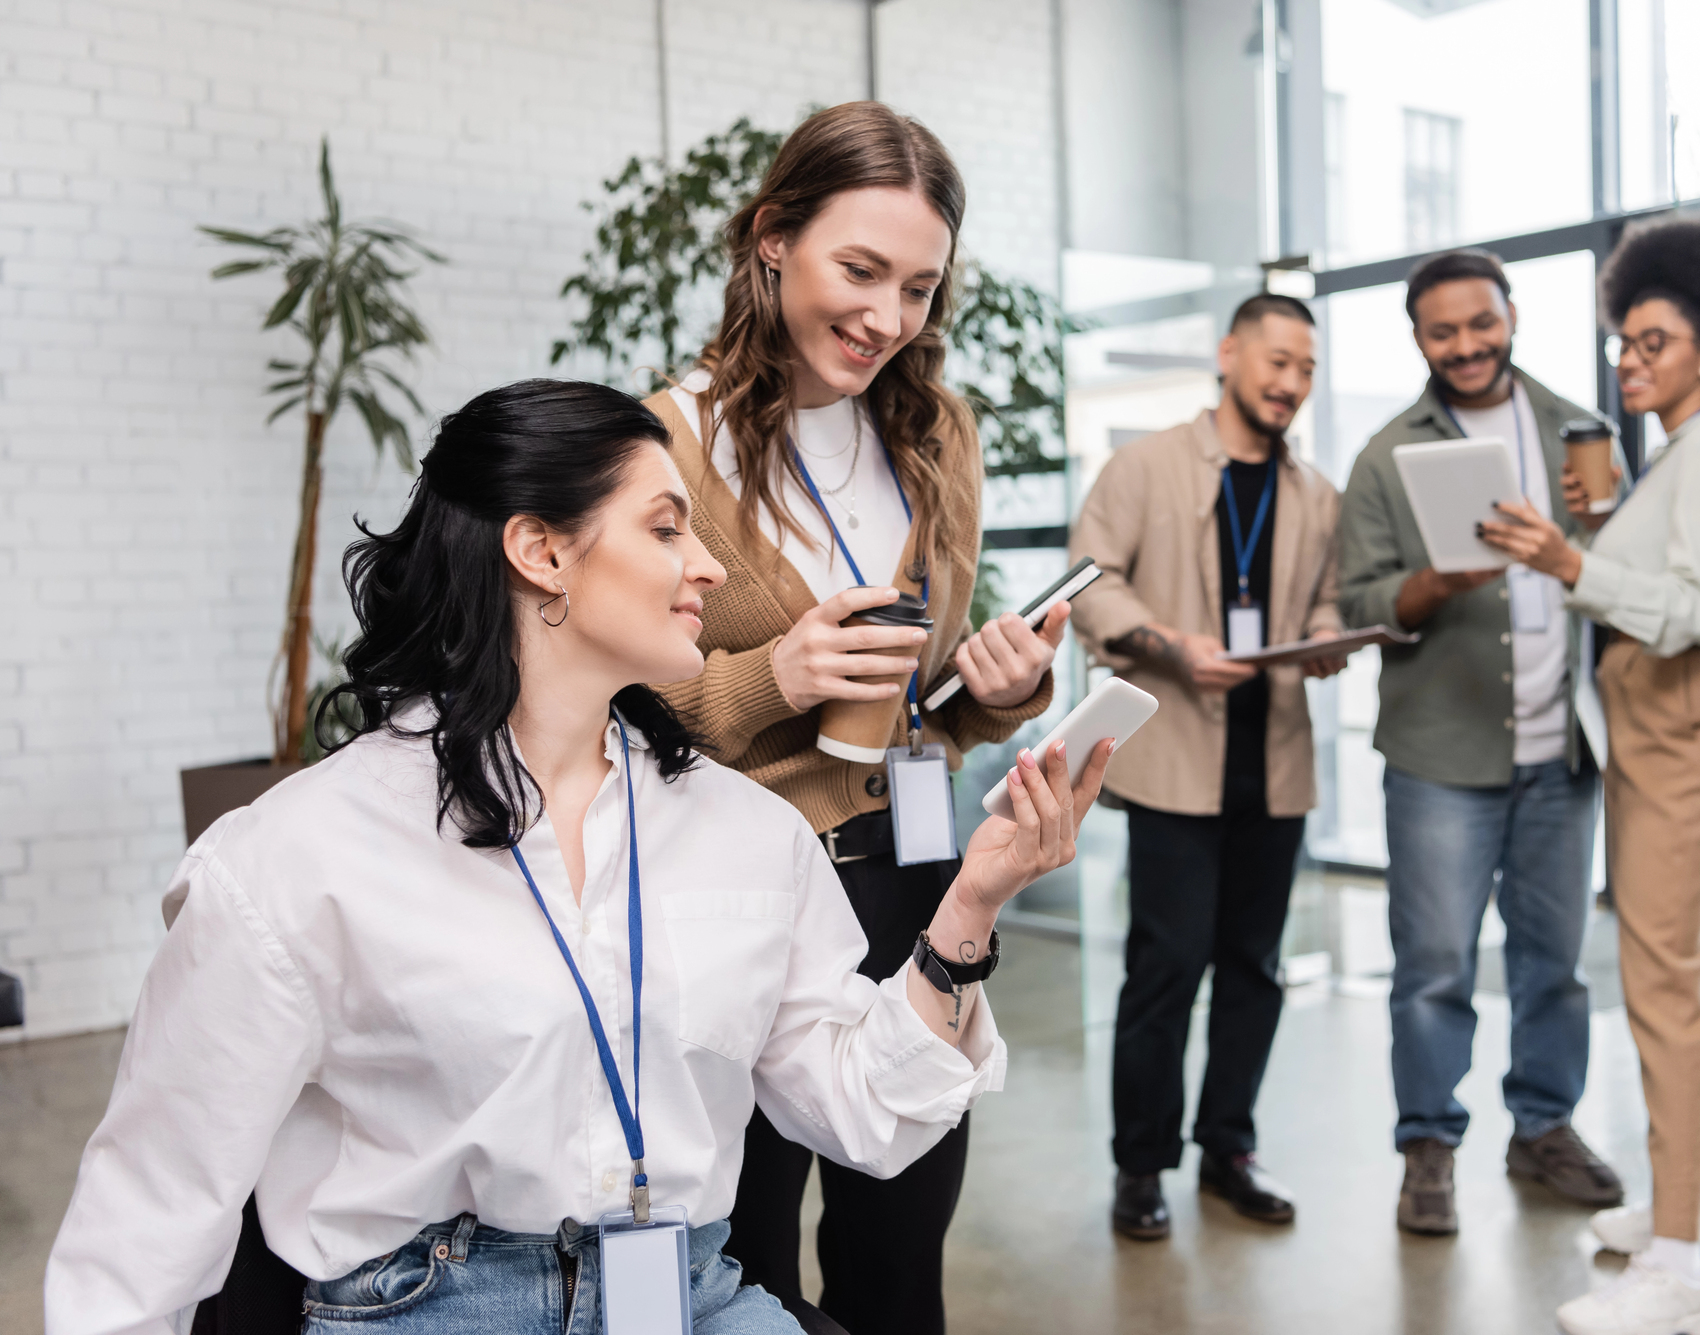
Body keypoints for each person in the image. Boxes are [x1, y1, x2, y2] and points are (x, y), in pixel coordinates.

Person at [42, 379, 1111, 1335]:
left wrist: (972, 904)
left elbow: (863, 1113)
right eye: (666, 529)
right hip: (431, 1310)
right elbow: (153, 1204)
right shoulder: (299, 855)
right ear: (540, 551)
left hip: (689, 1298)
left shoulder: (744, 832)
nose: (706, 567)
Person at [637, 103, 1060, 1335]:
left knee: (901, 1247)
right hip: (740, 896)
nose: (886, 317)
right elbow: (614, 715)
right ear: (772, 239)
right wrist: (777, 675)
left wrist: (996, 691)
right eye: (860, 270)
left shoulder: (935, 432)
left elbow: (917, 707)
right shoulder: (661, 445)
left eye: (918, 288)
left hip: (913, 877)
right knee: (747, 1255)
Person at [1476, 214, 1700, 1335]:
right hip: (1668, 719)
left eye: (1655, 343)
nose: (1630, 361)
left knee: (1662, 986)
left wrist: (1568, 556)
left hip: (1686, 715)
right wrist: (1600, 529)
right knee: (1691, 979)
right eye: (1624, 342)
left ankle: (1677, 1269)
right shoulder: (1688, 451)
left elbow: (1685, 611)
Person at [1335, 248, 1625, 1238]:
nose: (1464, 345)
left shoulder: (1578, 432)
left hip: (1562, 749)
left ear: (1511, 317)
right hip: (1438, 756)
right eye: (1442, 330)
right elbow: (1360, 604)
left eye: (1479, 323)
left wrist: (1588, 539)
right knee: (1433, 967)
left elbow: (1623, 566)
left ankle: (1543, 1126)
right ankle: (1428, 1143)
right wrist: (1436, 583)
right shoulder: (1385, 455)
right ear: (1418, 339)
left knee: (1555, 960)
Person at [1068, 293, 1347, 1242]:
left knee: (1255, 968)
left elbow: (1326, 600)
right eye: (1278, 360)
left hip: (1274, 763)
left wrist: (1324, 639)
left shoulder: (1316, 495)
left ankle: (1231, 1147)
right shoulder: (1146, 466)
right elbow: (1091, 581)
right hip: (1176, 763)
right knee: (1166, 967)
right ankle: (1141, 1165)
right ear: (1230, 353)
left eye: (1307, 369)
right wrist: (1171, 644)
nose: (1291, 383)